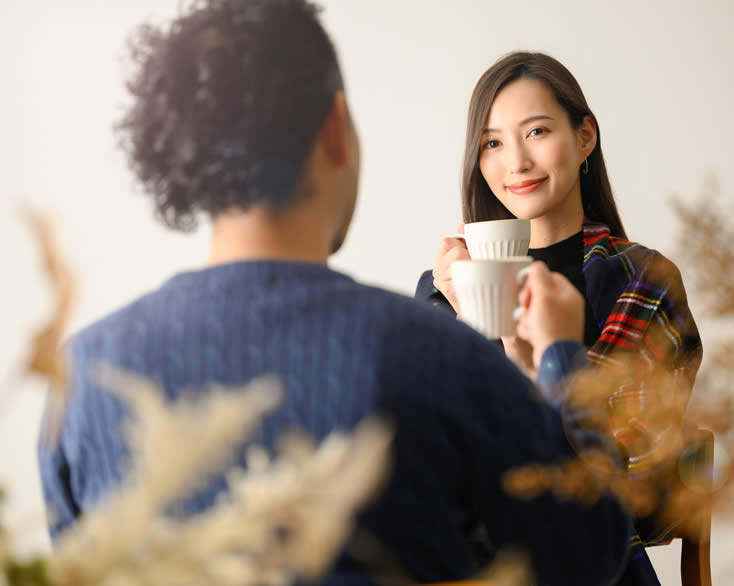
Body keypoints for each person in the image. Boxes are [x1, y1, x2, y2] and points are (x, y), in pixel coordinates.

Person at [37, 3, 634, 585]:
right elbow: (588, 555)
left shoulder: (79, 378)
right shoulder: (439, 355)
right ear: (334, 130)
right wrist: (557, 360)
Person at [417, 52, 703, 585]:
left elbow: (628, 478)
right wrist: (470, 317)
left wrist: (552, 357)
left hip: (602, 564)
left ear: (585, 138)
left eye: (537, 132)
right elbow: (425, 469)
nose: (516, 162)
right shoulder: (447, 288)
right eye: (493, 142)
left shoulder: (644, 282)